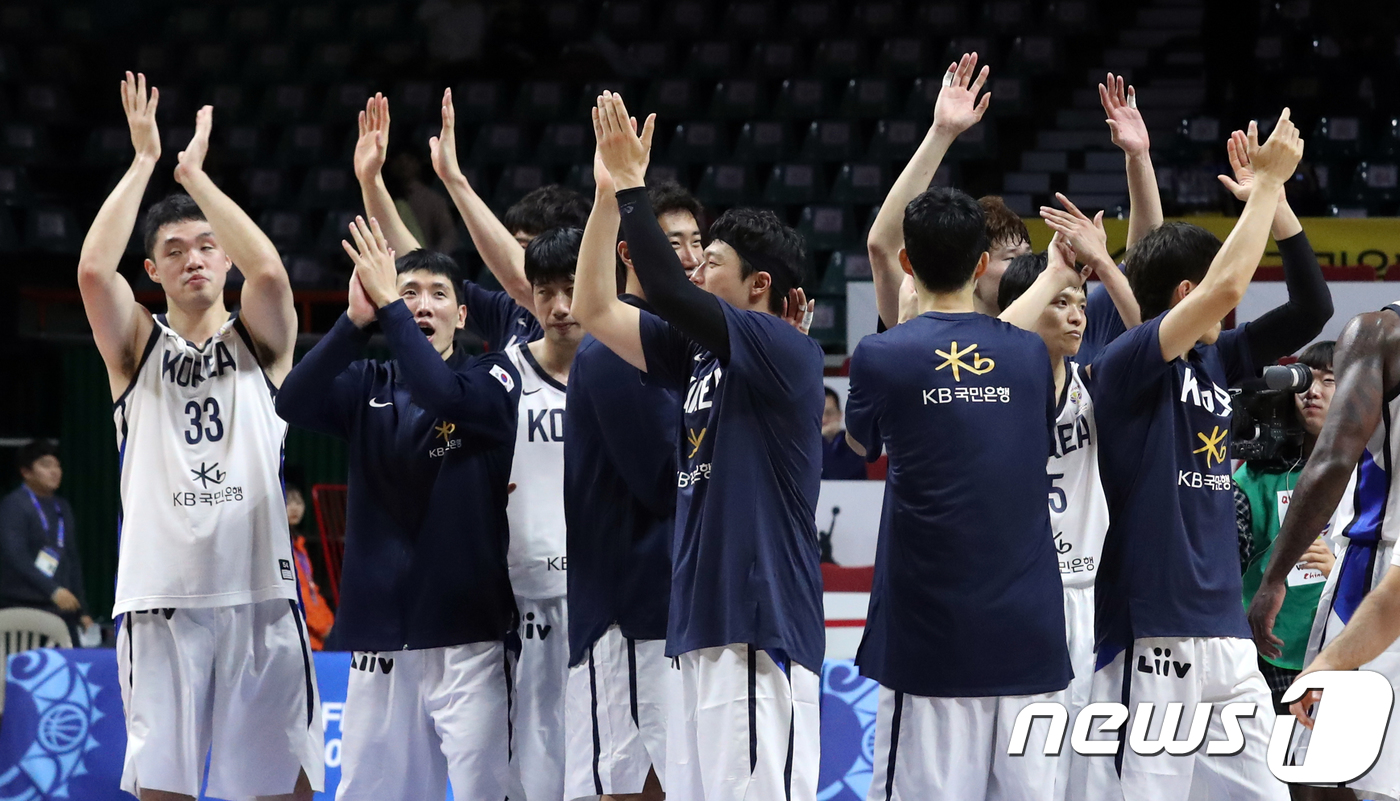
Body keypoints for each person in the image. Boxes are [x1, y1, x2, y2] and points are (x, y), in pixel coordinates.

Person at [77, 74, 320, 801]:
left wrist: (196, 179)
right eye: (175, 249)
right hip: (160, 595)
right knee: (167, 792)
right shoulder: (133, 348)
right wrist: (144, 160)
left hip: (259, 593)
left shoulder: (264, 342)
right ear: (151, 270)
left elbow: (272, 270)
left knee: (283, 790)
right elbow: (93, 269)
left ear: (224, 262)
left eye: (208, 247)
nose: (194, 258)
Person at [578, 91, 825, 800]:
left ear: (760, 284)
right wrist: (604, 192)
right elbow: (598, 306)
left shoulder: (783, 348)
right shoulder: (701, 357)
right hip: (702, 623)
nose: (693, 271)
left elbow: (659, 283)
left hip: (757, 623)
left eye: (709, 259)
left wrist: (634, 188)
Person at [1084, 111, 1325, 800]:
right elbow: (1226, 288)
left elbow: (1312, 308)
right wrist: (1269, 177)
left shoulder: (1217, 358)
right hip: (1154, 630)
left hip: (1225, 636)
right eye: (1221, 284)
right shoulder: (1131, 362)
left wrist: (1276, 207)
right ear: (1185, 295)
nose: (1237, 297)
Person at [359, 92, 587, 800]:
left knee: (590, 761)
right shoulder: (512, 328)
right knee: (525, 767)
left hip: (591, 578)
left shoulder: (611, 337)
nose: (514, 274)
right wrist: (372, 185)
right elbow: (420, 271)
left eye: (522, 248)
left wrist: (457, 181)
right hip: (513, 587)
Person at [276, 221, 522, 800]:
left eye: (439, 294)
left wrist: (388, 306)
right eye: (408, 292)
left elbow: (441, 393)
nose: (422, 304)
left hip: (470, 639)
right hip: (379, 638)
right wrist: (355, 322)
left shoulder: (493, 378)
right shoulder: (368, 385)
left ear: (463, 316)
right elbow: (292, 399)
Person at [845, 178, 1072, 799]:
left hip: (929, 639)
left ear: (909, 264)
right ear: (981, 264)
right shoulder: (1030, 356)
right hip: (1030, 634)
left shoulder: (881, 354)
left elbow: (863, 445)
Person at [562, 162, 703, 801]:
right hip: (628, 614)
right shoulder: (612, 347)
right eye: (675, 245)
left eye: (699, 243)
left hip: (668, 610)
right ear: (630, 251)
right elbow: (659, 479)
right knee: (633, 783)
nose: (692, 257)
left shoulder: (678, 344)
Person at [995, 204, 1134, 799]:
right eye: (1062, 301)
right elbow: (997, 336)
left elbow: (1150, 325)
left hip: (1092, 592)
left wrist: (1138, 159)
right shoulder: (990, 388)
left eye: (1081, 303)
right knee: (1029, 769)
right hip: (1027, 595)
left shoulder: (1096, 379)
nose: (1078, 314)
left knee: (1092, 771)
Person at [1259, 312, 1400, 801]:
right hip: (1380, 575)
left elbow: (1335, 456)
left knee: (1328, 772)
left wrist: (1273, 578)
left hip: (1373, 577)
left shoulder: (1377, 332)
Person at [1235, 343, 1339, 717]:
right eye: (1305, 381)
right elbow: (1228, 557)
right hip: (1271, 650)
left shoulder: (1375, 475)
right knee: (1273, 770)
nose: (1312, 391)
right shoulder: (1255, 477)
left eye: (1329, 381)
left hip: (1348, 649)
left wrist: (1339, 572)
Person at [0, 440, 92, 645]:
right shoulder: (14, 506)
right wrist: (53, 590)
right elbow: (16, 557)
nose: (55, 471)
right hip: (22, 608)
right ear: (26, 472)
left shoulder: (62, 507)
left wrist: (82, 610)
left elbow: (72, 560)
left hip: (62, 610)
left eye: (57, 465)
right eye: (46, 465)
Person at [284, 485, 335, 651]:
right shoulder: (280, 547)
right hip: (295, 637)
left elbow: (312, 590)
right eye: (288, 502)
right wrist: (323, 627)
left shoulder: (299, 546)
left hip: (312, 638)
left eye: (298, 502)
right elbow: (297, 594)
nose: (294, 507)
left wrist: (329, 623)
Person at [820, 387, 867, 480]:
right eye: (819, 414)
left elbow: (835, 475)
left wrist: (821, 437)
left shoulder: (853, 443)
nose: (824, 419)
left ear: (839, 415)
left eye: (829, 413)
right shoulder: (802, 445)